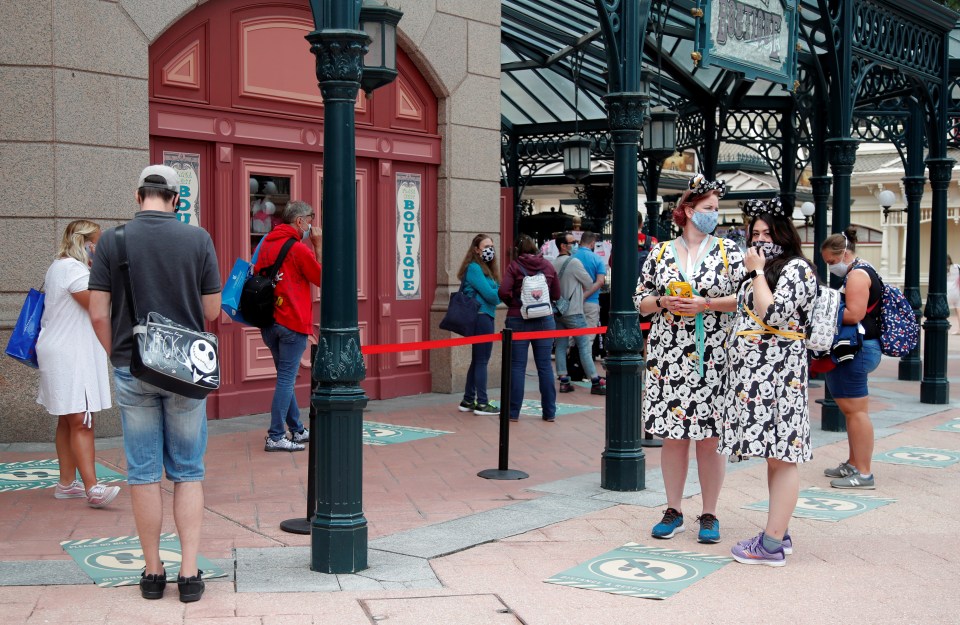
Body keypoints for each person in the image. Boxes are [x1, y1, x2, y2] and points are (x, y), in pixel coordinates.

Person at [89, 164, 221, 602]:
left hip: (133, 365)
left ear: (137, 195)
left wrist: (117, 356)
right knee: (188, 470)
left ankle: (151, 572)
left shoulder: (113, 240)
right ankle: (188, 573)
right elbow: (213, 311)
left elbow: (97, 312)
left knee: (142, 473)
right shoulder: (197, 239)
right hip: (185, 371)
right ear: (177, 200)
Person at [633, 174, 745, 543]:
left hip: (715, 354)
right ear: (687, 211)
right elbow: (641, 300)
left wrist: (706, 303)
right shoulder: (660, 252)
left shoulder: (731, 252)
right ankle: (673, 508)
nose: (714, 214)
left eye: (717, 209)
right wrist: (664, 301)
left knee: (710, 438)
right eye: (708, 209)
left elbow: (746, 300)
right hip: (669, 355)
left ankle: (710, 512)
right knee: (673, 436)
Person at [719, 198, 817, 567]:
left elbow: (772, 312)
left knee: (784, 454)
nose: (760, 239)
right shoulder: (769, 270)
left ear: (784, 234)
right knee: (775, 456)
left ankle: (772, 544)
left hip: (780, 376)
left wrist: (757, 273)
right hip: (758, 377)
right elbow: (745, 306)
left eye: (768, 232)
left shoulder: (796, 269)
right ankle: (780, 530)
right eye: (755, 233)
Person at [36, 220, 119, 509]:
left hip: (61, 352)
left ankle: (66, 483)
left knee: (67, 419)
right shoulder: (73, 269)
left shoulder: (58, 266)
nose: (100, 248)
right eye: (97, 242)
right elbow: (99, 305)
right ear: (84, 243)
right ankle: (93, 488)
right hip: (70, 356)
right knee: (82, 421)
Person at [254, 200, 322, 452]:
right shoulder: (299, 249)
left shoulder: (266, 243)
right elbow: (321, 277)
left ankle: (297, 429)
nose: (312, 224)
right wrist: (318, 245)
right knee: (285, 379)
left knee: (286, 378)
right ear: (299, 221)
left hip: (269, 322)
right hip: (291, 321)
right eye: (310, 218)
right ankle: (275, 435)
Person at [819, 227, 883, 489]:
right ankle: (855, 463)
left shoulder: (856, 275)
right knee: (852, 410)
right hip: (861, 347)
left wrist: (820, 313)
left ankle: (864, 473)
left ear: (844, 254)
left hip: (856, 348)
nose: (830, 267)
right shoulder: (864, 269)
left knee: (856, 411)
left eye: (832, 262)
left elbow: (854, 314)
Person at [499, 234, 561, 422]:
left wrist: (515, 303)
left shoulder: (515, 266)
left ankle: (513, 413)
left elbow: (502, 291)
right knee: (545, 367)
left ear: (518, 251)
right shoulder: (548, 266)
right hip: (544, 320)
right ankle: (549, 413)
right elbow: (557, 293)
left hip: (518, 319)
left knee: (517, 366)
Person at [552, 232, 606, 395]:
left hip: (559, 311)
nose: (575, 244)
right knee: (584, 345)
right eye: (571, 242)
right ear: (563, 246)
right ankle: (594, 379)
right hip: (574, 311)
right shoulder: (574, 262)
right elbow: (589, 283)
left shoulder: (554, 263)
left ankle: (563, 380)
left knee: (561, 345)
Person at [456, 233, 501, 416]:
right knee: (482, 360)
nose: (490, 250)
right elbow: (493, 296)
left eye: (492, 246)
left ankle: (468, 399)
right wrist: (497, 291)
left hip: (484, 316)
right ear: (476, 249)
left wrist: (494, 291)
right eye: (485, 247)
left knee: (477, 360)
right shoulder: (475, 268)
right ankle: (482, 403)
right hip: (481, 317)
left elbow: (492, 293)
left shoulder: (485, 269)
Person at [574, 231, 607, 330]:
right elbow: (600, 281)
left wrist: (579, 297)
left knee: (570, 338)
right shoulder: (598, 259)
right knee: (587, 340)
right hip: (591, 302)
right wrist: (585, 295)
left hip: (573, 303)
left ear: (581, 241)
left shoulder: (571, 258)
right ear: (592, 243)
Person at [948, 255, 960, 334]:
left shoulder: (942, 269)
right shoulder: (956, 266)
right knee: (958, 309)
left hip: (949, 290)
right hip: (957, 289)